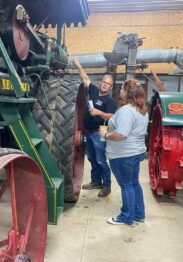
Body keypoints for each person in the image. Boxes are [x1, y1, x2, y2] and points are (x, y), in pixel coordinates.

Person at [100, 80, 148, 225]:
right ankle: (139, 214)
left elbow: (121, 135)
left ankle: (126, 216)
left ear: (127, 93)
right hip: (135, 152)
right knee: (133, 183)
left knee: (126, 185)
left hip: (123, 155)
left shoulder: (127, 111)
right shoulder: (141, 109)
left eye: (122, 88)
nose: (120, 90)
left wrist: (106, 135)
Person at [72, 57, 116, 197]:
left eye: (107, 84)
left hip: (100, 132)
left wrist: (99, 112)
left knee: (101, 160)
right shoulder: (94, 90)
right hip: (88, 132)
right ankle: (96, 181)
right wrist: (78, 64)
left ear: (110, 86)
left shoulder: (110, 101)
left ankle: (107, 186)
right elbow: (85, 78)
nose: (104, 85)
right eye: (104, 82)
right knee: (91, 158)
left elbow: (111, 116)